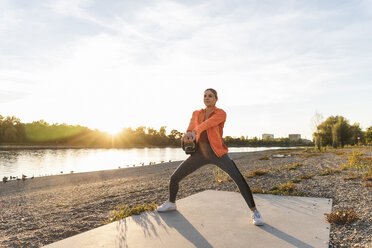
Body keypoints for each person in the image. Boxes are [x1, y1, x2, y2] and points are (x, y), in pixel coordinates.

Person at [157, 88, 264, 226]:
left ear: (215, 99)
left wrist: (195, 131)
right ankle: (171, 203)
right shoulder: (196, 113)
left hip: (217, 153)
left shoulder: (220, 113)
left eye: (210, 96)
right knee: (175, 177)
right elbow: (191, 127)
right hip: (199, 153)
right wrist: (188, 134)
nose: (207, 98)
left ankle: (255, 212)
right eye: (205, 96)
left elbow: (208, 124)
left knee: (238, 178)